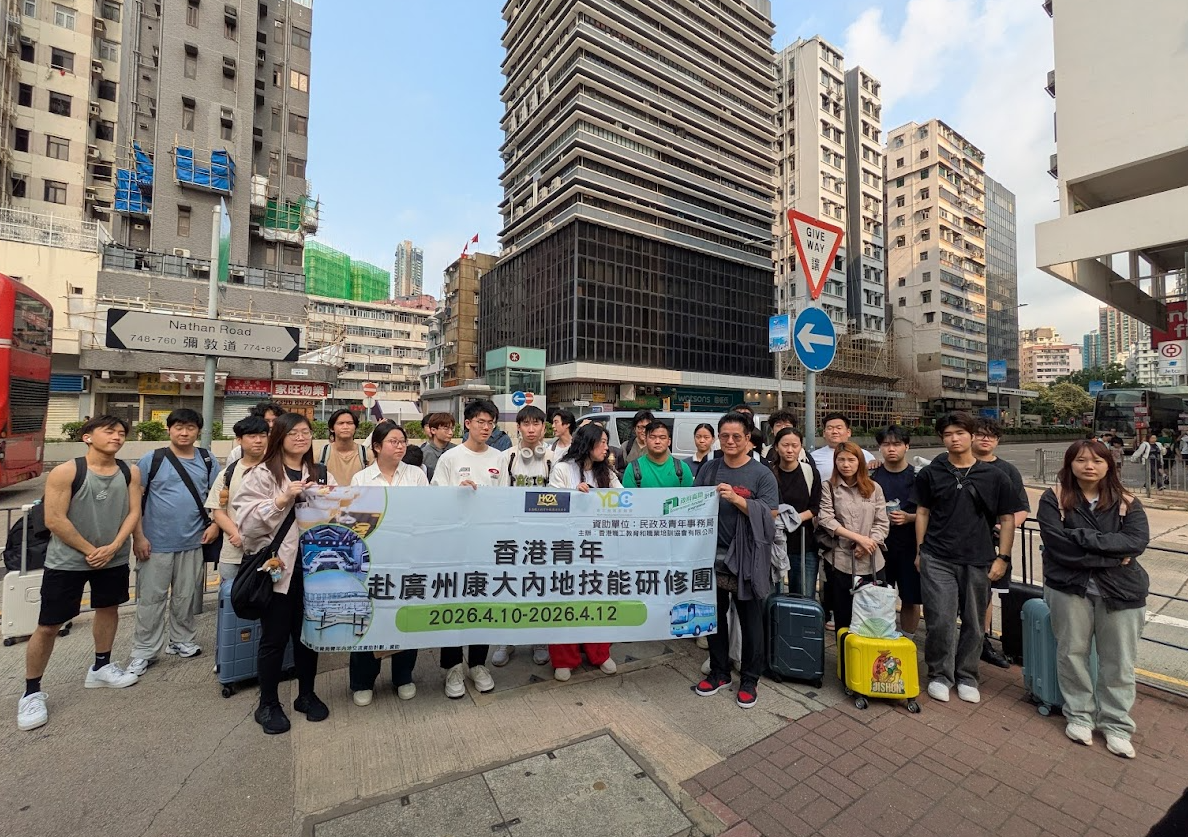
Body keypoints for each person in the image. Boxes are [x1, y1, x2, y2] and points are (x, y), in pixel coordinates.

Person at [18, 416, 141, 732]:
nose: (117, 436)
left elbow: (134, 512)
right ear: (88, 437)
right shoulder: (67, 471)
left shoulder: (130, 471)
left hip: (112, 558)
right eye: (109, 431)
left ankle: (101, 666)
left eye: (121, 432)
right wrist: (90, 549)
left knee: (108, 609)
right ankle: (31, 691)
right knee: (48, 624)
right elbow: (54, 519)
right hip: (67, 561)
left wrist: (114, 546)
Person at [1037, 439, 1150, 759]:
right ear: (1069, 464)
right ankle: (1079, 716)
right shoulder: (1054, 498)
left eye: (1098, 461)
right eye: (1082, 460)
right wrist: (1112, 555)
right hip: (1069, 588)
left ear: (1109, 466)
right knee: (1072, 653)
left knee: (1120, 661)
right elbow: (1058, 547)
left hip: (1122, 592)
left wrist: (1082, 538)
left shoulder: (1127, 501)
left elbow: (1136, 542)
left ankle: (1116, 724)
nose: (1090, 466)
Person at [914, 412, 1026, 704]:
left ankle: (967, 675)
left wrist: (1002, 557)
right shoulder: (932, 472)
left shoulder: (995, 476)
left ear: (972, 436)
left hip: (979, 558)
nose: (955, 438)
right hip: (937, 556)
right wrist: (920, 550)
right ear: (942, 439)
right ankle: (939, 674)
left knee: (975, 623)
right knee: (940, 619)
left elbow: (1008, 518)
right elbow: (923, 512)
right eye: (948, 434)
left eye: (961, 433)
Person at [236, 413, 332, 734]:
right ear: (280, 436)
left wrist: (331, 499)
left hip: (313, 569)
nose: (302, 437)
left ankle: (306, 694)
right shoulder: (261, 474)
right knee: (274, 638)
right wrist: (281, 498)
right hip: (278, 569)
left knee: (308, 638)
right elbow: (246, 526)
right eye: (294, 433)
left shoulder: (317, 472)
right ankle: (268, 704)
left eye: (306, 432)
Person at [693, 412, 779, 709]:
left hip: (747, 557)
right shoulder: (709, 468)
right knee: (713, 617)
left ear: (748, 439)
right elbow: (693, 504)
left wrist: (737, 500)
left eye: (736, 437)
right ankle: (719, 672)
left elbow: (770, 515)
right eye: (725, 436)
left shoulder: (761, 473)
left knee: (750, 619)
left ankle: (750, 677)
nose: (730, 441)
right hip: (710, 555)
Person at [128, 409, 221, 676]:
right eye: (178, 427)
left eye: (190, 427)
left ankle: (182, 641)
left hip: (193, 541)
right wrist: (139, 536)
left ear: (198, 431)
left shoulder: (206, 459)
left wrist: (215, 525)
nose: (184, 432)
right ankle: (144, 650)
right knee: (151, 599)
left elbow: (218, 497)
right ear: (169, 429)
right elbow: (135, 501)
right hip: (154, 543)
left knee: (185, 597)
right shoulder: (152, 459)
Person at [349, 421, 427, 706]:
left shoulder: (416, 475)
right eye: (393, 441)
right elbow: (356, 520)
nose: (400, 445)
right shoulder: (362, 479)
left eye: (402, 441)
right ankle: (363, 680)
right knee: (368, 618)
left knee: (405, 616)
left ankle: (403, 676)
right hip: (373, 559)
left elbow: (424, 513)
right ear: (377, 447)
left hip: (408, 558)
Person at [430, 399, 504, 698]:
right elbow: (435, 497)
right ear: (468, 424)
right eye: (480, 422)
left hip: (487, 542)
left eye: (490, 423)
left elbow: (505, 498)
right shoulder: (450, 457)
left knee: (483, 600)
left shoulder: (500, 457)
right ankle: (452, 668)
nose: (486, 427)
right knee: (454, 601)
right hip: (455, 543)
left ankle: (477, 663)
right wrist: (456, 494)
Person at [546, 422, 621, 680]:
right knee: (565, 600)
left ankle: (599, 653)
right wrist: (573, 496)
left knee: (597, 599)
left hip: (598, 549)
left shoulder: (607, 473)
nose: (605, 447)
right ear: (587, 444)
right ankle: (564, 659)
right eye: (600, 442)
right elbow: (551, 506)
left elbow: (623, 501)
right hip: (567, 550)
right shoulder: (563, 469)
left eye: (606, 442)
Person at [492, 405, 554, 668]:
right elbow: (496, 496)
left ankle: (539, 639)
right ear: (518, 427)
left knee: (540, 587)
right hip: (513, 535)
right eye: (526, 424)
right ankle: (507, 639)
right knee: (509, 586)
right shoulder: (506, 457)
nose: (531, 429)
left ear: (544, 427)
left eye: (536, 424)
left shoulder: (554, 458)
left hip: (544, 536)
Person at [973, 418, 1031, 668]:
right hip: (960, 542)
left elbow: (1022, 509)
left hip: (994, 544)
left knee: (987, 592)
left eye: (992, 436)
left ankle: (982, 640)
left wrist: (1003, 527)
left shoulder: (1007, 471)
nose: (986, 439)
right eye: (981, 434)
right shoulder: (954, 464)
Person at [817, 442, 889, 630]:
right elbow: (826, 519)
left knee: (872, 618)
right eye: (841, 460)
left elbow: (882, 522)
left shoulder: (874, 488)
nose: (846, 464)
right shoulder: (828, 487)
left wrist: (868, 542)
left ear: (860, 462)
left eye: (851, 460)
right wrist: (859, 539)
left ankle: (867, 658)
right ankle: (844, 657)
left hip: (872, 559)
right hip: (840, 560)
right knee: (843, 616)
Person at [870, 425, 922, 636]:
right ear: (880, 448)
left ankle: (908, 639)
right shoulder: (872, 475)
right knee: (880, 595)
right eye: (886, 444)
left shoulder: (919, 476)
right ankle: (883, 636)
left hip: (910, 546)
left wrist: (909, 517)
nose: (891, 449)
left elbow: (931, 512)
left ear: (907, 446)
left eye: (897, 444)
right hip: (880, 546)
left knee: (911, 598)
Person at [206, 416, 270, 583]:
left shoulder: (277, 469)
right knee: (230, 598)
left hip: (268, 551)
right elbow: (218, 511)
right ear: (239, 440)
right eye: (252, 436)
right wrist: (238, 534)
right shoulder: (228, 473)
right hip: (233, 551)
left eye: (263, 435)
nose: (258, 441)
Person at [770, 427, 821, 598]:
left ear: (801, 447)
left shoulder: (810, 472)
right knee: (772, 596)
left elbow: (815, 507)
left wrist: (792, 520)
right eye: (785, 445)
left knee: (803, 596)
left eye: (795, 445)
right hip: (773, 544)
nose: (790, 450)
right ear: (776, 447)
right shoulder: (767, 473)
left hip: (804, 543)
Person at [622, 420, 693, 489]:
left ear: (669, 441)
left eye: (662, 438)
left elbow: (689, 498)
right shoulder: (632, 469)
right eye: (652, 437)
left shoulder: (682, 468)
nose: (657, 441)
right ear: (645, 441)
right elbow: (629, 499)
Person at [811, 413, 877, 480]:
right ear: (824, 433)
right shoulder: (813, 457)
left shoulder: (864, 454)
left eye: (839, 428)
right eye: (830, 428)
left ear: (848, 432)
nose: (834, 431)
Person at [320, 409, 369, 486]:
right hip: (330, 497)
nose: (345, 427)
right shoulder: (320, 455)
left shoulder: (368, 455)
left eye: (350, 423)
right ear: (332, 428)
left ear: (355, 427)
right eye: (340, 423)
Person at [419, 413, 457, 483]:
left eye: (452, 428)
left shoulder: (457, 451)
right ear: (433, 430)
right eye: (446, 428)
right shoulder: (423, 454)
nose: (451, 432)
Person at [616, 409, 654, 476]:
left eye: (647, 427)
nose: (644, 431)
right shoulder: (626, 446)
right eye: (640, 427)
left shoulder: (658, 446)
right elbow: (620, 470)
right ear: (634, 429)